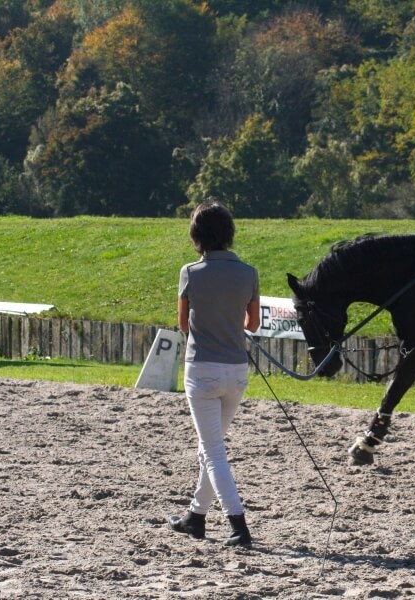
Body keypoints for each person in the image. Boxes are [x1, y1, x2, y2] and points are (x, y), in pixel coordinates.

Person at [168, 199, 260, 547]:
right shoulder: (248, 273)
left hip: (202, 370)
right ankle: (196, 516)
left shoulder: (190, 273)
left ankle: (239, 524)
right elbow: (252, 323)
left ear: (198, 236)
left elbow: (183, 325)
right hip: (236, 372)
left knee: (212, 451)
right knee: (211, 448)